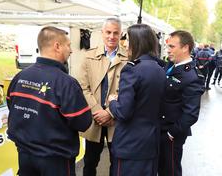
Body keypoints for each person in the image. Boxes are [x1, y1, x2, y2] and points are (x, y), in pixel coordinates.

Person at [7, 26, 92, 176]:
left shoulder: (20, 77)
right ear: (57, 46)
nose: (71, 50)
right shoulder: (66, 83)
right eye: (68, 45)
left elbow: (11, 105)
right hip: (55, 159)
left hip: (24, 155)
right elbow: (83, 122)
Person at [104, 24, 166, 176]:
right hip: (150, 143)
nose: (124, 43)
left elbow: (123, 112)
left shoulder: (132, 69)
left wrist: (112, 102)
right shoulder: (159, 68)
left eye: (127, 39)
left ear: (137, 42)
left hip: (130, 145)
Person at [78, 18, 128, 176]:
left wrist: (110, 113)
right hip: (95, 119)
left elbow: (129, 92)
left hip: (117, 120)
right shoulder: (88, 57)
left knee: (117, 164)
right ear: (102, 33)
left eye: (115, 33)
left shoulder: (129, 59)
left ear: (120, 34)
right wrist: (98, 111)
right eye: (108, 32)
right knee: (90, 163)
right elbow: (82, 87)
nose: (112, 36)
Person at [158, 30, 205, 176]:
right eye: (168, 47)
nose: (168, 50)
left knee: (170, 171)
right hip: (160, 129)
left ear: (185, 47)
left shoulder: (191, 76)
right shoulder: (171, 66)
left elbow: (191, 113)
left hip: (171, 134)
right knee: (160, 168)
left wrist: (172, 134)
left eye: (172, 47)